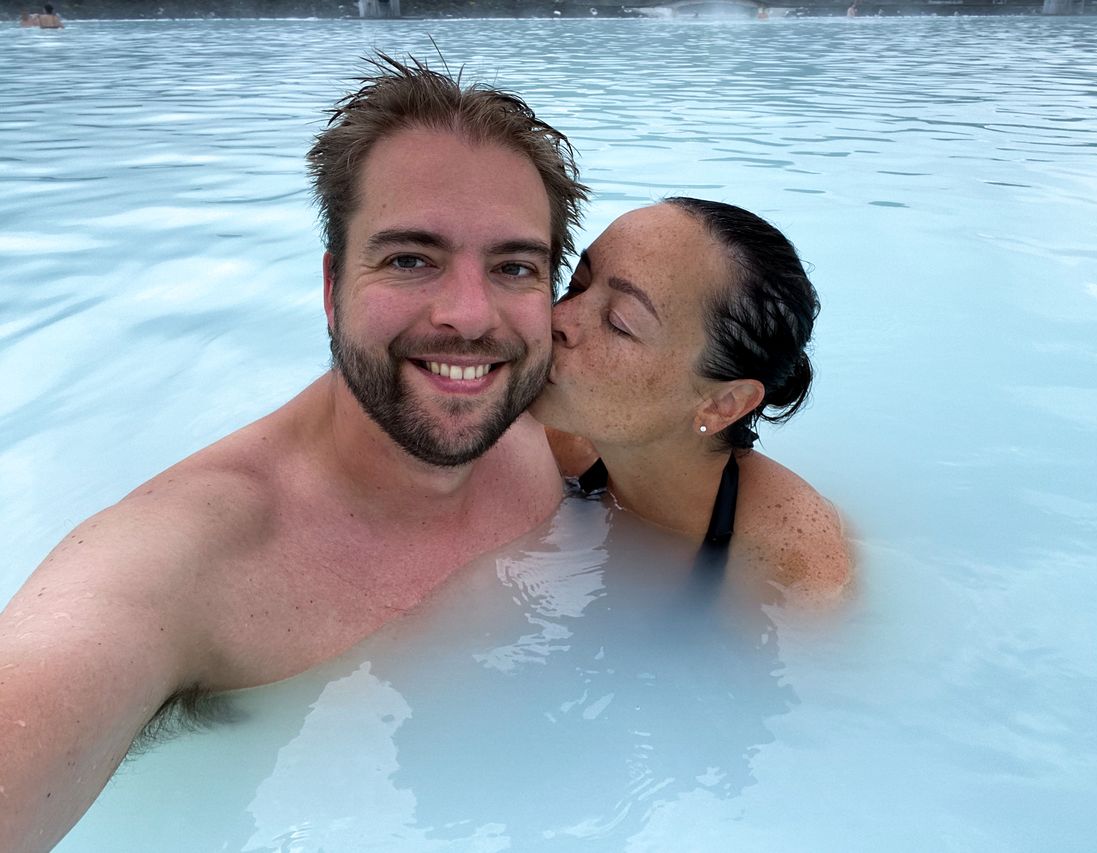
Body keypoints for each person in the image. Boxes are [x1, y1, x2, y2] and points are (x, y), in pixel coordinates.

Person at [0, 55, 587, 853]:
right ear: (330, 284)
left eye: (514, 266)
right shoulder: (175, 562)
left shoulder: (544, 431)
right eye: (411, 258)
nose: (468, 315)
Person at [532, 198, 852, 602]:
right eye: (577, 285)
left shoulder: (791, 565)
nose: (557, 319)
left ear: (724, 404)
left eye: (619, 323)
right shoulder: (553, 443)